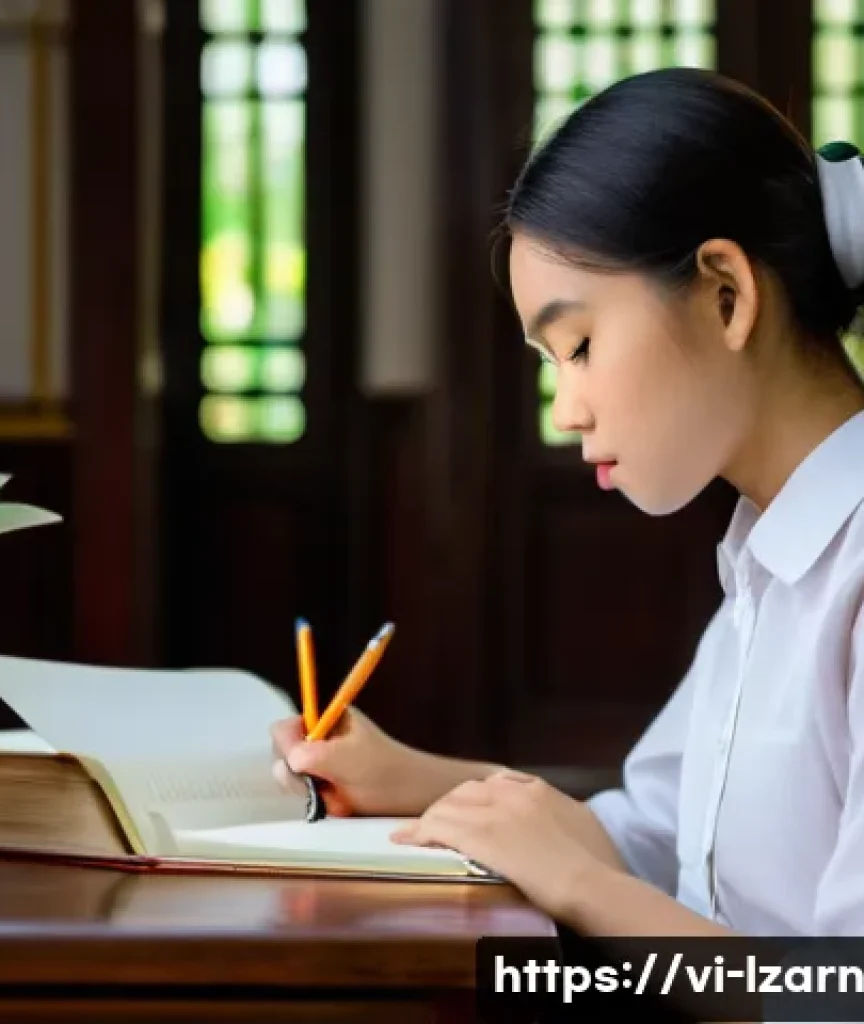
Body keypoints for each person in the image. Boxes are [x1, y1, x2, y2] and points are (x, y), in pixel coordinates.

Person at [271, 67, 864, 940]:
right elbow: (653, 841)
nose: (565, 409)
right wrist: (409, 776)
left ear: (725, 295)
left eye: (579, 345)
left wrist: (576, 887)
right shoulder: (768, 563)